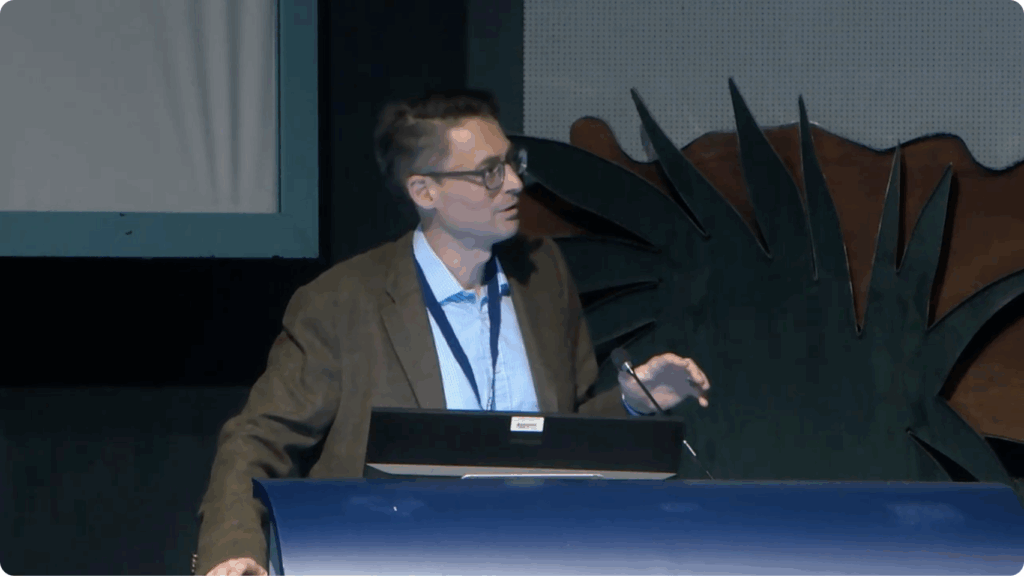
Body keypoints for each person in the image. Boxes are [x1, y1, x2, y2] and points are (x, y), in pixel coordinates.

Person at [195, 90, 711, 576]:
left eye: (512, 163)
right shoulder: (343, 302)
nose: (514, 183)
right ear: (425, 191)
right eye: (489, 172)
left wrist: (632, 402)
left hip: (538, 558)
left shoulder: (542, 275)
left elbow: (562, 435)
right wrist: (235, 551)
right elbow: (256, 439)